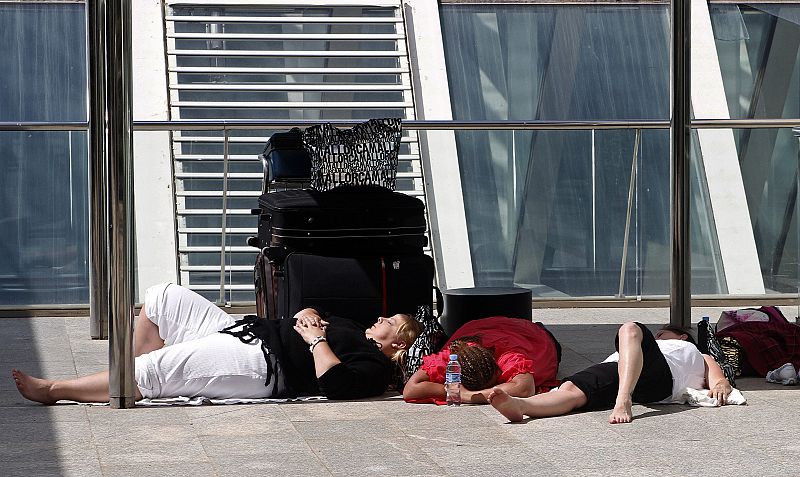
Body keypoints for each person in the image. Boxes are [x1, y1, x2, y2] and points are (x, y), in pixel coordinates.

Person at [12, 282, 421, 404]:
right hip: (240, 329)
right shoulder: (352, 325)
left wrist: (316, 340)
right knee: (162, 297)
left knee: (151, 371)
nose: (382, 318)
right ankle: (142, 382)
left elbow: (335, 386)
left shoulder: (374, 368)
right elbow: (306, 310)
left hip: (259, 364)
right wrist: (308, 313)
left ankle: (56, 390)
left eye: (391, 322)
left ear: (396, 346)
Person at [488, 322, 733, 424]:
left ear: (682, 336)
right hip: (620, 368)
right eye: (657, 335)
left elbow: (718, 378)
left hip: (663, 375)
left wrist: (721, 384)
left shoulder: (693, 351)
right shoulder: (641, 349)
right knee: (573, 390)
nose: (658, 336)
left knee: (629, 329)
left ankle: (623, 398)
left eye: (662, 333)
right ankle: (522, 406)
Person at [402, 316, 560, 404]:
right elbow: (410, 390)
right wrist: (452, 391)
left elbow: (525, 388)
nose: (496, 384)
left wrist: (467, 395)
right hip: (485, 325)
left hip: (532, 334)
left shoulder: (509, 356)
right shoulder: (451, 358)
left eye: (497, 380)